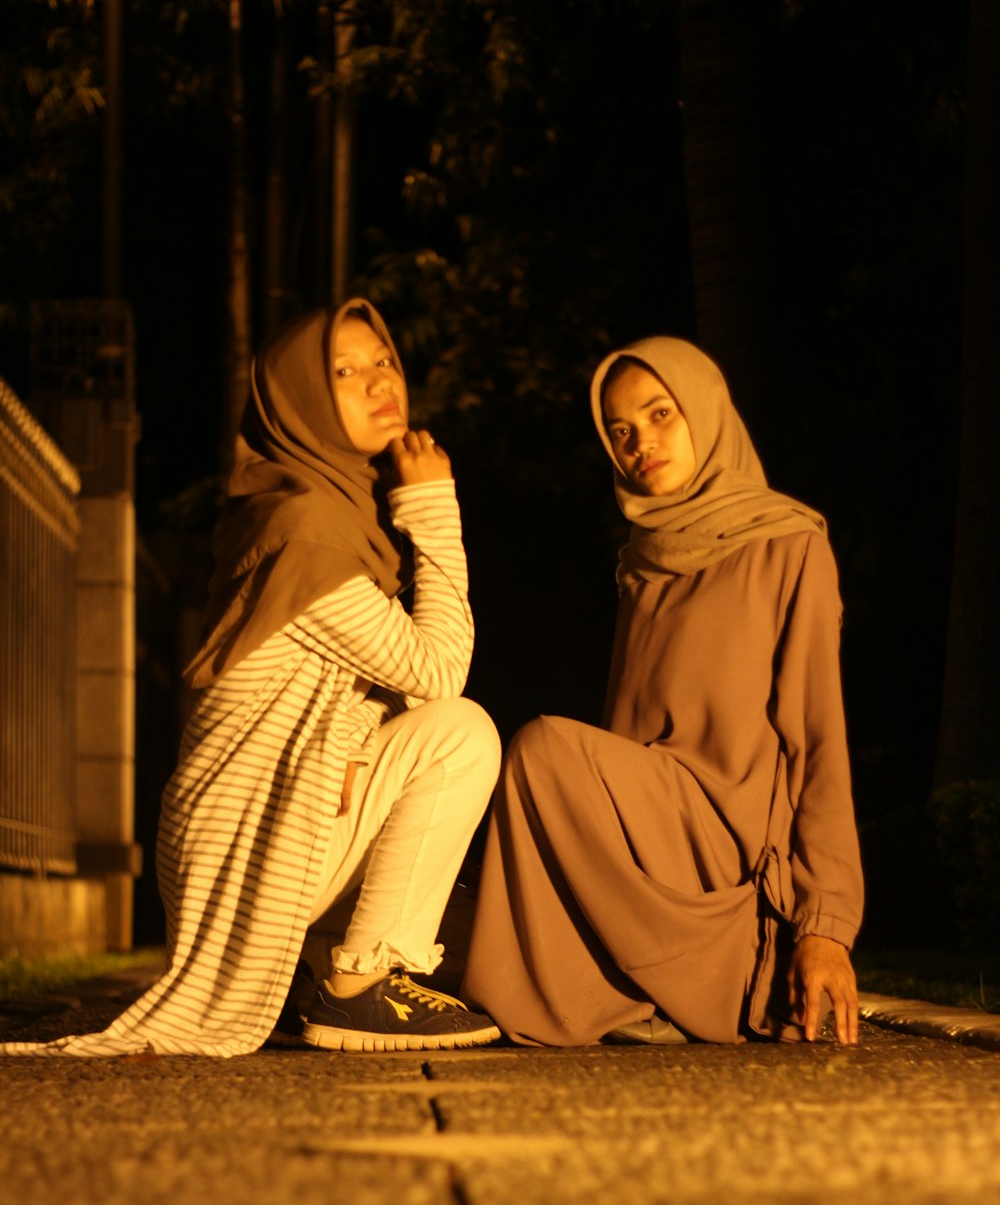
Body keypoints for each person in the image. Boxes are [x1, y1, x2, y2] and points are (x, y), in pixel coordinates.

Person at [3, 299, 501, 1057]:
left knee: (491, 949)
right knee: (462, 735)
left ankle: (314, 972)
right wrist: (434, 508)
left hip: (277, 825)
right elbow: (438, 673)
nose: (378, 382)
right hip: (248, 843)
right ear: (299, 401)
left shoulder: (333, 513)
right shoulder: (302, 538)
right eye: (344, 371)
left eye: (384, 362)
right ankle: (359, 986)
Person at [463, 336, 863, 1048]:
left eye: (659, 415)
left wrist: (826, 927)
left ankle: (681, 977)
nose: (640, 442)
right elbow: (626, 736)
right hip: (654, 827)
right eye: (621, 431)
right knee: (518, 794)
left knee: (542, 748)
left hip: (729, 841)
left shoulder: (788, 543)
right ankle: (636, 987)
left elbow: (818, 739)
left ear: (704, 412)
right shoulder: (643, 563)